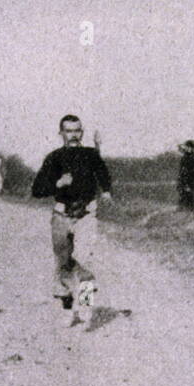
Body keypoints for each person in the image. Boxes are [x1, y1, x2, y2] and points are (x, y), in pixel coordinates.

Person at [31, 114, 113, 320]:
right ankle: (67, 306)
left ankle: (85, 304)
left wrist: (106, 191)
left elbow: (103, 173)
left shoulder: (91, 155)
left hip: (85, 214)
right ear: (61, 133)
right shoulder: (54, 157)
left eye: (77, 130)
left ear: (82, 133)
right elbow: (37, 189)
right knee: (63, 262)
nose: (73, 135)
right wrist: (57, 184)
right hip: (61, 214)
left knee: (85, 260)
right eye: (69, 131)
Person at [176, 139, 194, 211]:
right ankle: (187, 206)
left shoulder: (190, 156)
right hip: (187, 176)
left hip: (188, 176)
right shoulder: (189, 156)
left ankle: (188, 206)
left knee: (187, 191)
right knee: (186, 191)